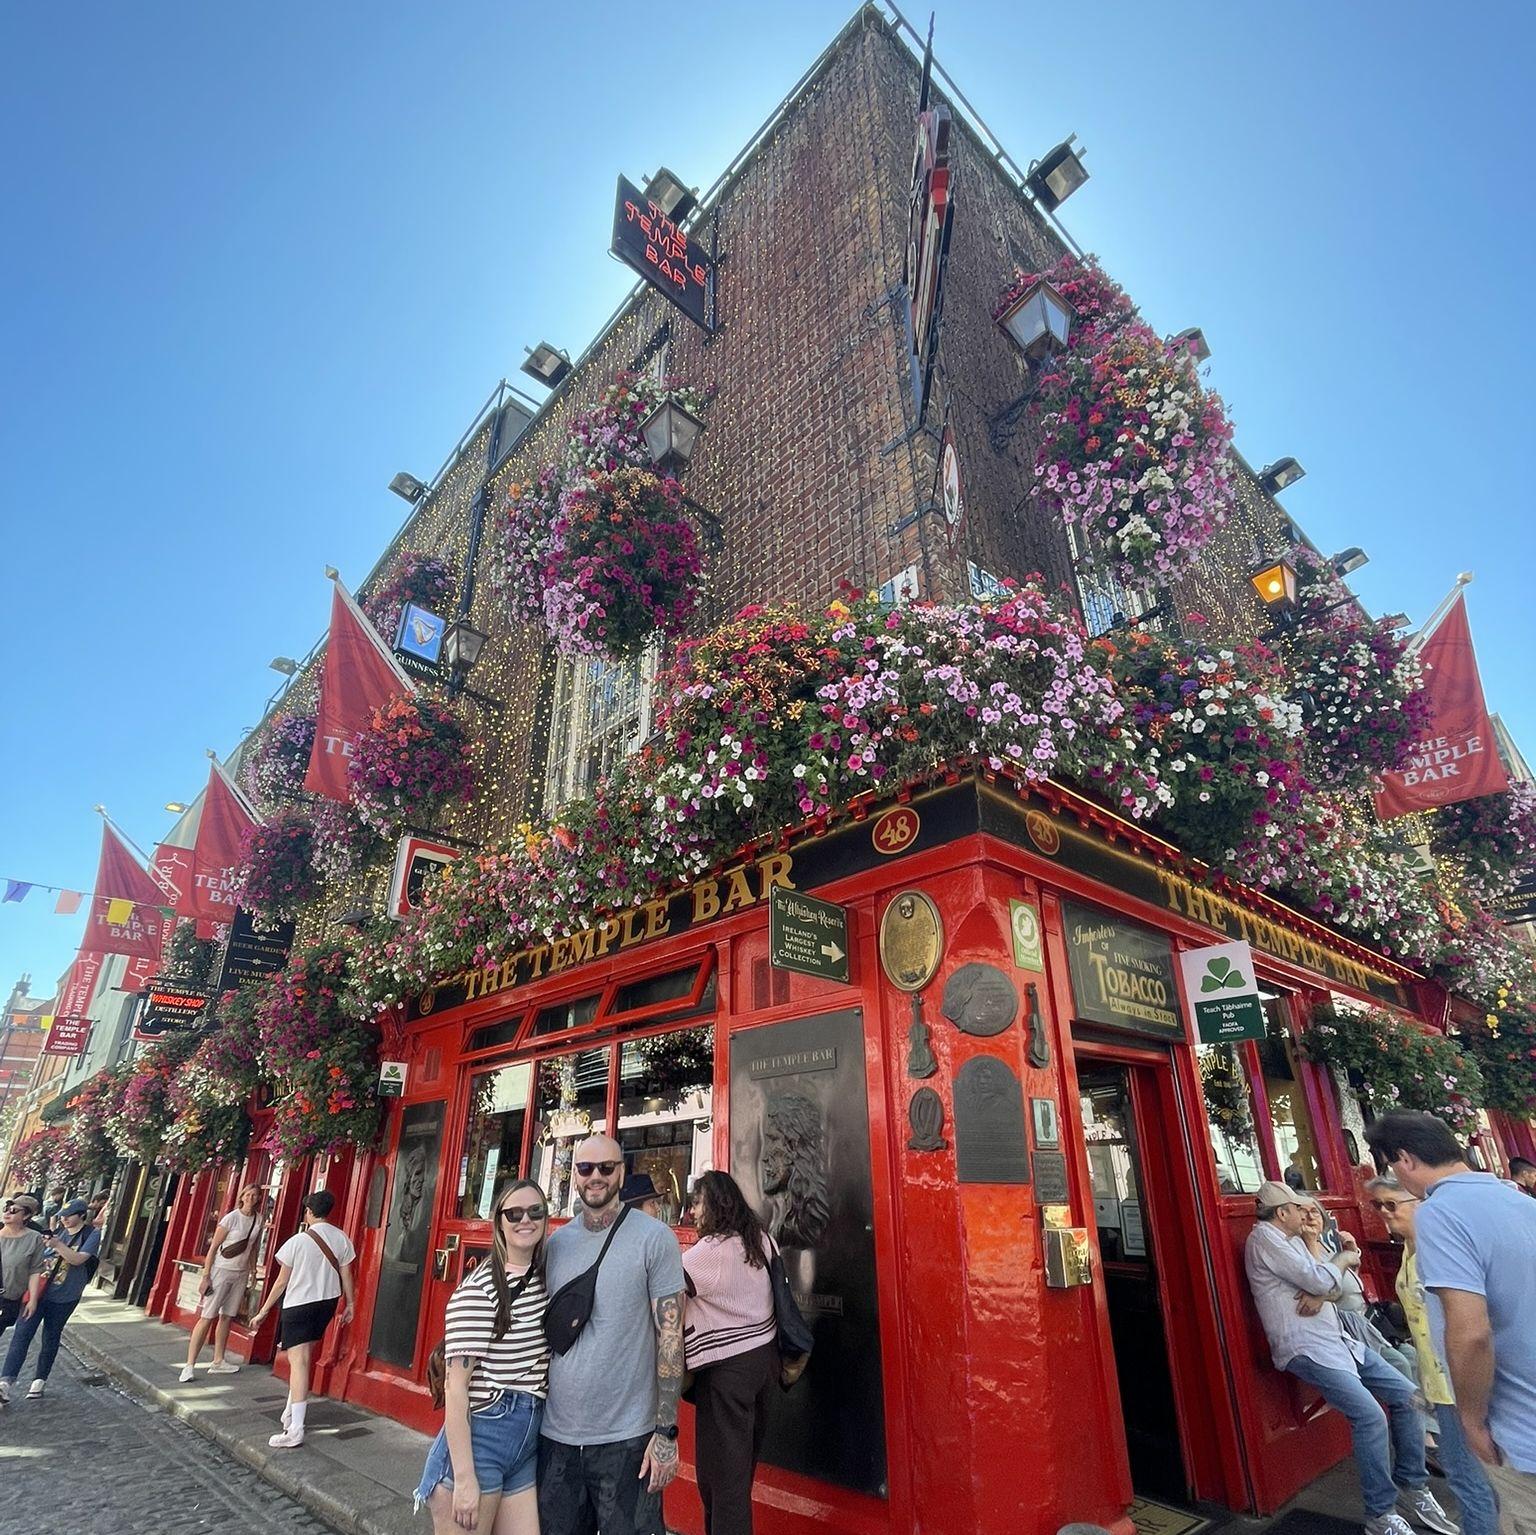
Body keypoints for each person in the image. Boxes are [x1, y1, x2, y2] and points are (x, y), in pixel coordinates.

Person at [1243, 1180, 1453, 1535]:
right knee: (1370, 1416)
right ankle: (1380, 1513)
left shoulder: (1294, 1241)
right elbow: (1323, 1279)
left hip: (1339, 1340)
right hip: (1305, 1347)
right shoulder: (1264, 1239)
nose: (1305, 1213)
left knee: (1408, 1398)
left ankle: (1414, 1485)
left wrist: (1323, 1281)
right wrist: (1341, 1260)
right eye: (1298, 1208)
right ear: (1282, 1213)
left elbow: (1336, 1288)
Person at [1367, 1111, 1536, 1532]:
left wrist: (1471, 1419)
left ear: (1404, 1159)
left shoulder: (1439, 1213)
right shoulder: (1520, 1201)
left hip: (1519, 1427)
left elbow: (1471, 1331)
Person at [538, 1133, 685, 1535]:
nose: (596, 1176)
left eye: (607, 1167)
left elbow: (671, 1339)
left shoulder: (655, 1239)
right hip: (557, 1438)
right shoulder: (555, 1245)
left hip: (628, 1441)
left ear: (622, 1172)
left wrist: (666, 1433)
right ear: (575, 1175)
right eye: (586, 1168)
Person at [415, 1178, 550, 1535]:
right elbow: (456, 1387)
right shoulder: (481, 1288)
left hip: (526, 1440)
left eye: (535, 1211)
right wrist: (464, 1479)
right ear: (499, 1222)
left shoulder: (544, 1278)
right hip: (481, 1440)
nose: (526, 1220)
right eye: (514, 1213)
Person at [1366, 1176, 1497, 1535]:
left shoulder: (1440, 1249)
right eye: (1378, 1206)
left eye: (1392, 1204)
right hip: (1439, 1382)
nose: (1383, 1213)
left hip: (1460, 1382)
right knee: (1474, 1479)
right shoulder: (1410, 1250)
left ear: (1421, 1203)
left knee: (1469, 1482)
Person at [683, 1171, 778, 1535]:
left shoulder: (710, 1252)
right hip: (764, 1365)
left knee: (722, 1484)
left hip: (725, 1374)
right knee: (739, 1472)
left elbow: (665, 1288)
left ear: (716, 1204)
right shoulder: (762, 1241)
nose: (692, 1212)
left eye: (696, 1203)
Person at [250, 1189, 356, 1449]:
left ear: (309, 1211)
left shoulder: (297, 1241)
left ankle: (296, 1429)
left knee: (299, 1363)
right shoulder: (342, 1238)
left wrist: (263, 1311)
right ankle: (289, 1413)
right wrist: (350, 1303)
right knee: (305, 1359)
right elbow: (347, 1276)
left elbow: (281, 1281)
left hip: (299, 1304)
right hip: (327, 1304)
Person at [0, 1197, 103, 1402]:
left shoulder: (91, 1234)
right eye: (62, 1216)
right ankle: (5, 1382)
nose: (64, 1220)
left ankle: (39, 1379)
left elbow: (77, 1259)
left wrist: (57, 1245)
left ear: (81, 1215)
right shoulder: (57, 1232)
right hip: (40, 1291)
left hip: (65, 1295)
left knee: (51, 1335)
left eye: (69, 1216)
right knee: (22, 1334)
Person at [180, 1184, 266, 1382]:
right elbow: (213, 1248)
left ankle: (218, 1360)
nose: (252, 1198)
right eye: (249, 1194)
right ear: (242, 1196)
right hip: (221, 1270)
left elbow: (251, 1247)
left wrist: (253, 1271)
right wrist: (206, 1275)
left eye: (256, 1196)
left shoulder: (258, 1219)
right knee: (207, 1316)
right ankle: (189, 1365)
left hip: (241, 1273)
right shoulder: (231, 1218)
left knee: (227, 1316)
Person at [0, 1195, 48, 1393]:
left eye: (14, 1210)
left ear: (26, 1215)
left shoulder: (33, 1238)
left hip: (10, 1299)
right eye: (6, 1208)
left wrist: (33, 1299)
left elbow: (35, 1270)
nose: (7, 1213)